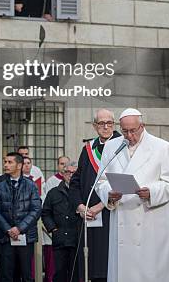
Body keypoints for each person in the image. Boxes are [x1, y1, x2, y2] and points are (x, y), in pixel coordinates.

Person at [96, 108, 169, 282]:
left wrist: (151, 192)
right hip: (122, 221)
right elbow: (100, 182)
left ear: (142, 126)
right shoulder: (112, 146)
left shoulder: (162, 147)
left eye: (133, 130)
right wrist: (108, 195)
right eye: (125, 131)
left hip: (150, 222)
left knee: (149, 273)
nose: (129, 135)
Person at [69, 108, 121, 282]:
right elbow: (75, 182)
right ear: (94, 126)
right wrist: (80, 206)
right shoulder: (88, 149)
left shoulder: (123, 146)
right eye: (101, 123)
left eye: (109, 123)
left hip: (112, 214)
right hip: (88, 217)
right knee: (89, 268)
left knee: (109, 266)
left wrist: (100, 206)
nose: (105, 127)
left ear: (114, 125)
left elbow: (124, 184)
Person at [0, 152, 42, 282]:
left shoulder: (31, 185)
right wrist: (9, 229)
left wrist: (19, 228)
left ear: (19, 165)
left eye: (10, 162)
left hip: (25, 236)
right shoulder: (0, 186)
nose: (6, 165)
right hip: (6, 236)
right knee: (7, 275)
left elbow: (36, 209)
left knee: (26, 275)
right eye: (5, 162)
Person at [42, 161, 79, 282]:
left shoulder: (82, 192)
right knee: (60, 273)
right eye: (68, 172)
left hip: (77, 240)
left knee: (76, 274)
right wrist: (53, 229)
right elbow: (46, 213)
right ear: (63, 174)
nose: (71, 175)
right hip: (60, 240)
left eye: (74, 172)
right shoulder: (53, 192)